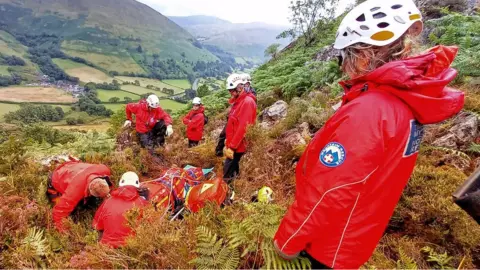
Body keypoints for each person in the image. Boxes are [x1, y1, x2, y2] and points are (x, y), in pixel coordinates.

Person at [273, 0, 465, 269]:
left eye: (344, 56)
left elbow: (332, 190)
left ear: (364, 54)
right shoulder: (405, 101)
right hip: (355, 238)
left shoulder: (370, 111)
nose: (342, 65)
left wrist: (288, 240)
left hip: (330, 244)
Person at [46, 161, 112, 232]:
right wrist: (64, 233)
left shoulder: (104, 170)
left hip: (73, 168)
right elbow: (59, 212)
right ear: (89, 191)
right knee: (70, 212)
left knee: (90, 204)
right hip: (57, 178)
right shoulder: (74, 191)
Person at [92, 171, 149, 248]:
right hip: (130, 247)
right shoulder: (141, 202)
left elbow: (97, 225)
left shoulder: (107, 201)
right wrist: (147, 199)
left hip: (107, 247)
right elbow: (151, 224)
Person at [223, 73, 257, 184]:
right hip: (234, 144)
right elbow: (233, 124)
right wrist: (228, 141)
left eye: (232, 90)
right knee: (233, 171)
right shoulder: (239, 101)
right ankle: (232, 191)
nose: (230, 93)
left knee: (227, 174)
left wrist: (232, 147)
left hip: (237, 146)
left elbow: (243, 127)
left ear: (239, 87)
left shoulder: (247, 102)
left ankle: (226, 196)